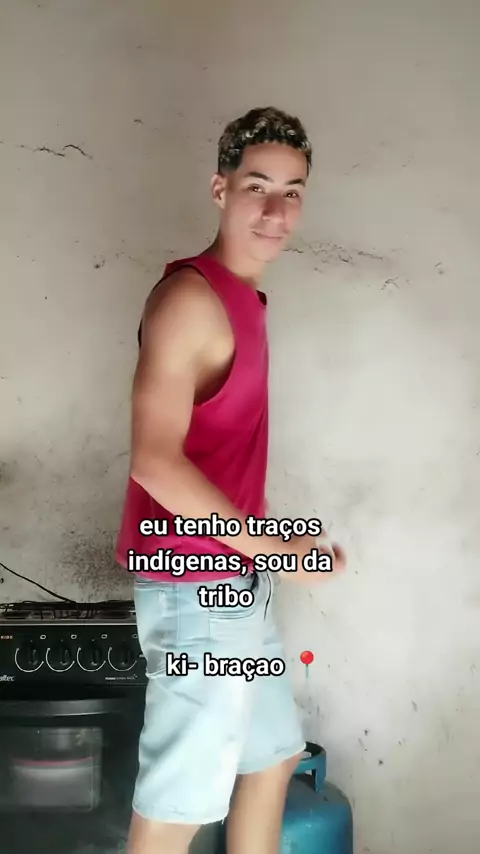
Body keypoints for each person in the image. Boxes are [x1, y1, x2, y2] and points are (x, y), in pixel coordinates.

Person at [116, 106, 346, 854]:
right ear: (220, 189)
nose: (275, 211)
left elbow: (223, 462)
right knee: (177, 806)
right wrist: (275, 552)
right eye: (257, 186)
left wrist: (280, 545)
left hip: (234, 581)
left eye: (292, 192)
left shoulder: (246, 300)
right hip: (193, 588)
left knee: (272, 756)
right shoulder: (192, 300)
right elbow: (155, 460)